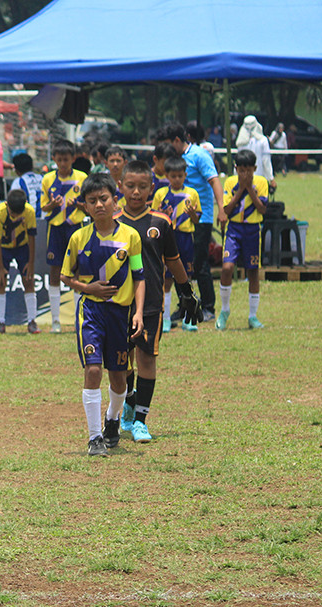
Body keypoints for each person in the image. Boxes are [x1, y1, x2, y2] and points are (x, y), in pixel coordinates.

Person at [59, 172, 144, 457]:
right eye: (92, 201)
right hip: (91, 311)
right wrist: (88, 287)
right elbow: (65, 276)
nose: (98, 205)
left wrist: (139, 313)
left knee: (119, 378)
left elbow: (139, 277)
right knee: (93, 370)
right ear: (84, 205)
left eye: (103, 199)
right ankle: (94, 437)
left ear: (115, 200)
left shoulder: (130, 237)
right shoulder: (78, 238)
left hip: (121, 314)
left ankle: (112, 419)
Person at [116, 160, 200, 444]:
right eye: (130, 186)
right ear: (120, 187)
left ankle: (140, 420)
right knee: (119, 362)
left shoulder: (161, 223)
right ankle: (129, 397)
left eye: (142, 186)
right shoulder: (112, 221)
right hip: (117, 304)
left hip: (151, 304)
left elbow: (173, 261)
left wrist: (186, 291)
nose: (136, 192)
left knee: (146, 360)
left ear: (152, 188)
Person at [163, 123, 227, 322]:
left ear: (177, 140)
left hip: (201, 218)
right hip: (180, 222)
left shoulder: (198, 155)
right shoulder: (176, 160)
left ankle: (208, 307)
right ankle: (184, 307)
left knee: (199, 265)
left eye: (169, 143)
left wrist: (222, 209)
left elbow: (214, 180)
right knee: (179, 265)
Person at [40, 139, 88, 334]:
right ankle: (55, 320)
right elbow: (43, 207)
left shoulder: (82, 178)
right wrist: (53, 204)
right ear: (54, 159)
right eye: (59, 160)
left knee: (77, 272)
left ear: (73, 159)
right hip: (56, 229)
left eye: (66, 159)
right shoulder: (48, 180)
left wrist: (77, 204)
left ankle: (78, 320)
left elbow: (88, 205)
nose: (63, 163)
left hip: (75, 228)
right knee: (55, 272)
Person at [217, 149, 268, 331]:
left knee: (252, 271)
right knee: (227, 267)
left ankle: (253, 316)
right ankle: (224, 310)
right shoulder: (230, 183)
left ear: (255, 168)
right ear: (236, 169)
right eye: (241, 170)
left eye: (249, 170)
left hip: (253, 230)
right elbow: (227, 210)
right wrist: (241, 189)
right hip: (234, 229)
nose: (245, 174)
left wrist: (249, 189)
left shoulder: (261, 182)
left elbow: (262, 209)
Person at [152, 156, 201, 333]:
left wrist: (192, 214)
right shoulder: (160, 194)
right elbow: (155, 218)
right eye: (173, 176)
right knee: (166, 280)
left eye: (180, 176)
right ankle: (165, 319)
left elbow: (197, 220)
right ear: (167, 176)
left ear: (185, 175)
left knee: (186, 279)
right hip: (167, 238)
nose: (177, 179)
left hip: (185, 238)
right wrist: (162, 213)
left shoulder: (192, 194)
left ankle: (189, 318)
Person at [0, 189, 38, 334]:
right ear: (7, 205)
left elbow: (31, 237)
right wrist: (0, 268)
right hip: (4, 249)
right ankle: (0, 322)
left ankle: (32, 321)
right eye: (12, 214)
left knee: (28, 281)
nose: (15, 216)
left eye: (18, 214)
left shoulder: (29, 212)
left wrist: (30, 263)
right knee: (0, 282)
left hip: (22, 247)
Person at [236, 115, 276, 192]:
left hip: (243, 179)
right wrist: (271, 178)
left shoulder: (241, 142)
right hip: (260, 178)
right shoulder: (263, 140)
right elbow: (266, 161)